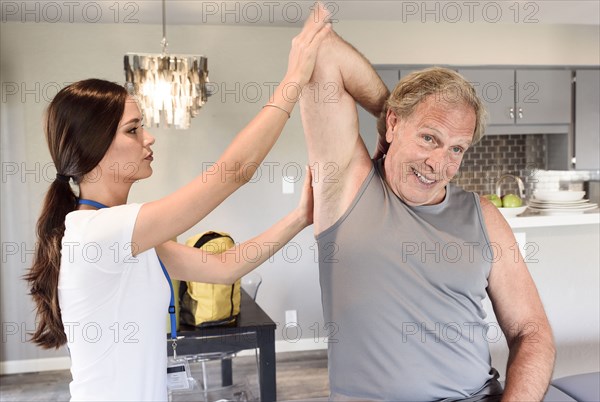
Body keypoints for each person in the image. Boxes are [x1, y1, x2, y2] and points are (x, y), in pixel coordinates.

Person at [25, 5, 331, 401]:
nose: (149, 138)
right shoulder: (98, 232)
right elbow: (234, 171)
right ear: (93, 148)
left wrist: (300, 217)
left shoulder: (123, 233)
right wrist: (295, 79)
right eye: (134, 129)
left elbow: (225, 267)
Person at [299, 27, 555, 401]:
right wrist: (390, 110)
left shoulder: (483, 216)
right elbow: (323, 53)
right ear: (394, 123)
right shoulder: (347, 187)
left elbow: (531, 331)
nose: (439, 163)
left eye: (456, 149)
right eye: (429, 137)